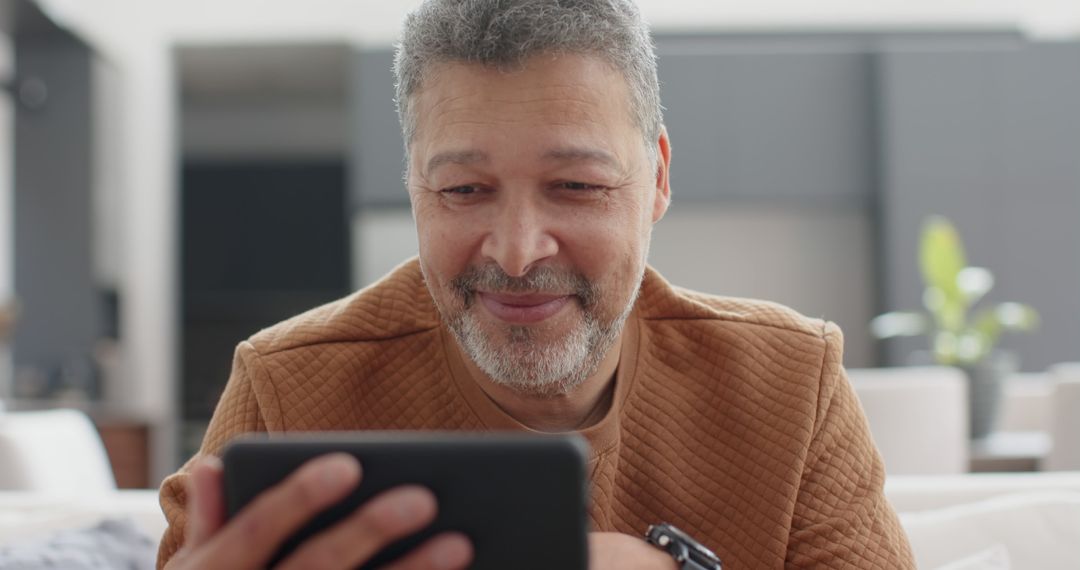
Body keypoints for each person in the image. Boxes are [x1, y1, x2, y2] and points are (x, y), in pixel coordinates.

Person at [157, 0, 915, 568]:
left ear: (656, 178)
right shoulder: (287, 389)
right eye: (463, 191)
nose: (517, 253)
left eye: (577, 187)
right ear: (415, 188)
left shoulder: (791, 383)